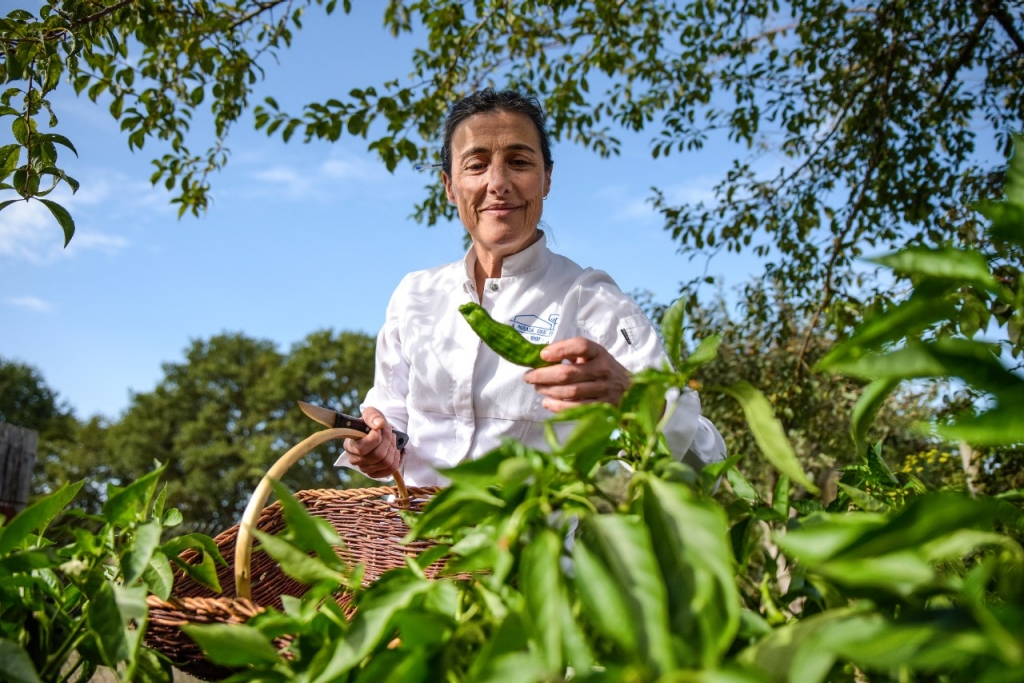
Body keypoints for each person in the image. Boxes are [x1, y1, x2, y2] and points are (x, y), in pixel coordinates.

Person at [336, 89, 725, 487]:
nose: (498, 183)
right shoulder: (415, 295)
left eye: (519, 162)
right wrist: (376, 444)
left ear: (547, 179)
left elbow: (706, 463)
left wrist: (633, 396)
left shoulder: (591, 301)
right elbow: (389, 415)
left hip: (533, 541)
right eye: (476, 165)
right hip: (406, 543)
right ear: (450, 186)